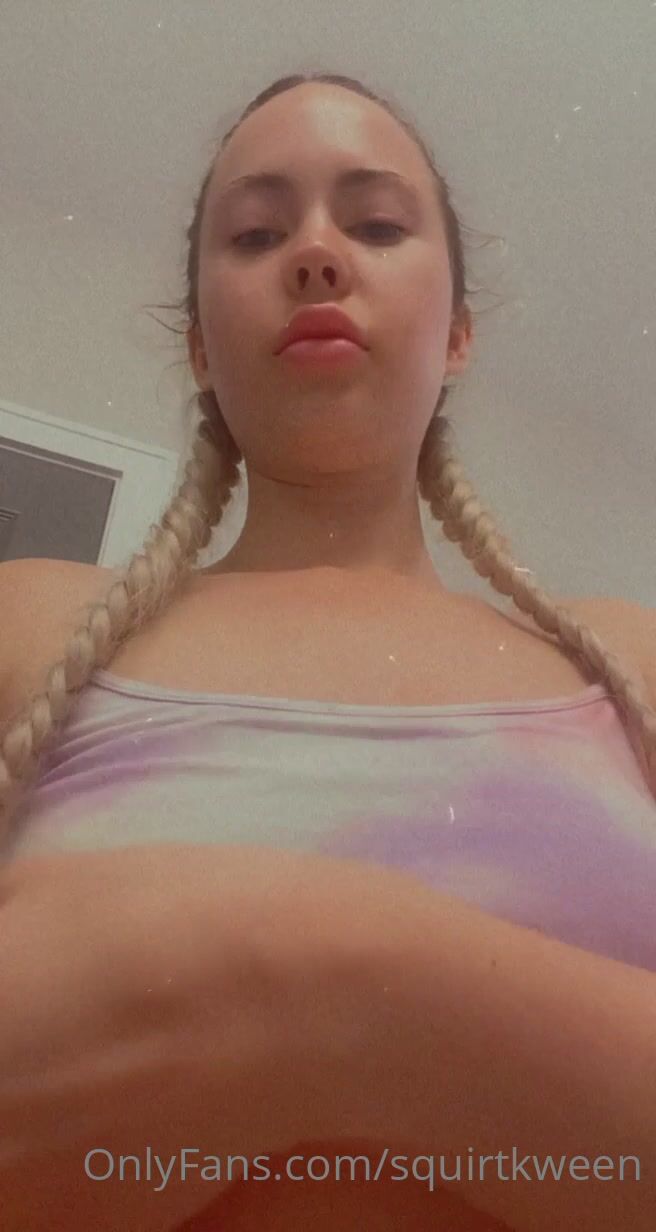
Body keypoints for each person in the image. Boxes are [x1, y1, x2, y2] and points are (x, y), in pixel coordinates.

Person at [1, 72, 655, 1231]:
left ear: (457, 334)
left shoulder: (627, 659)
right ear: (200, 346)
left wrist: (317, 976)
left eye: (376, 223)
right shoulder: (28, 624)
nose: (313, 252)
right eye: (257, 234)